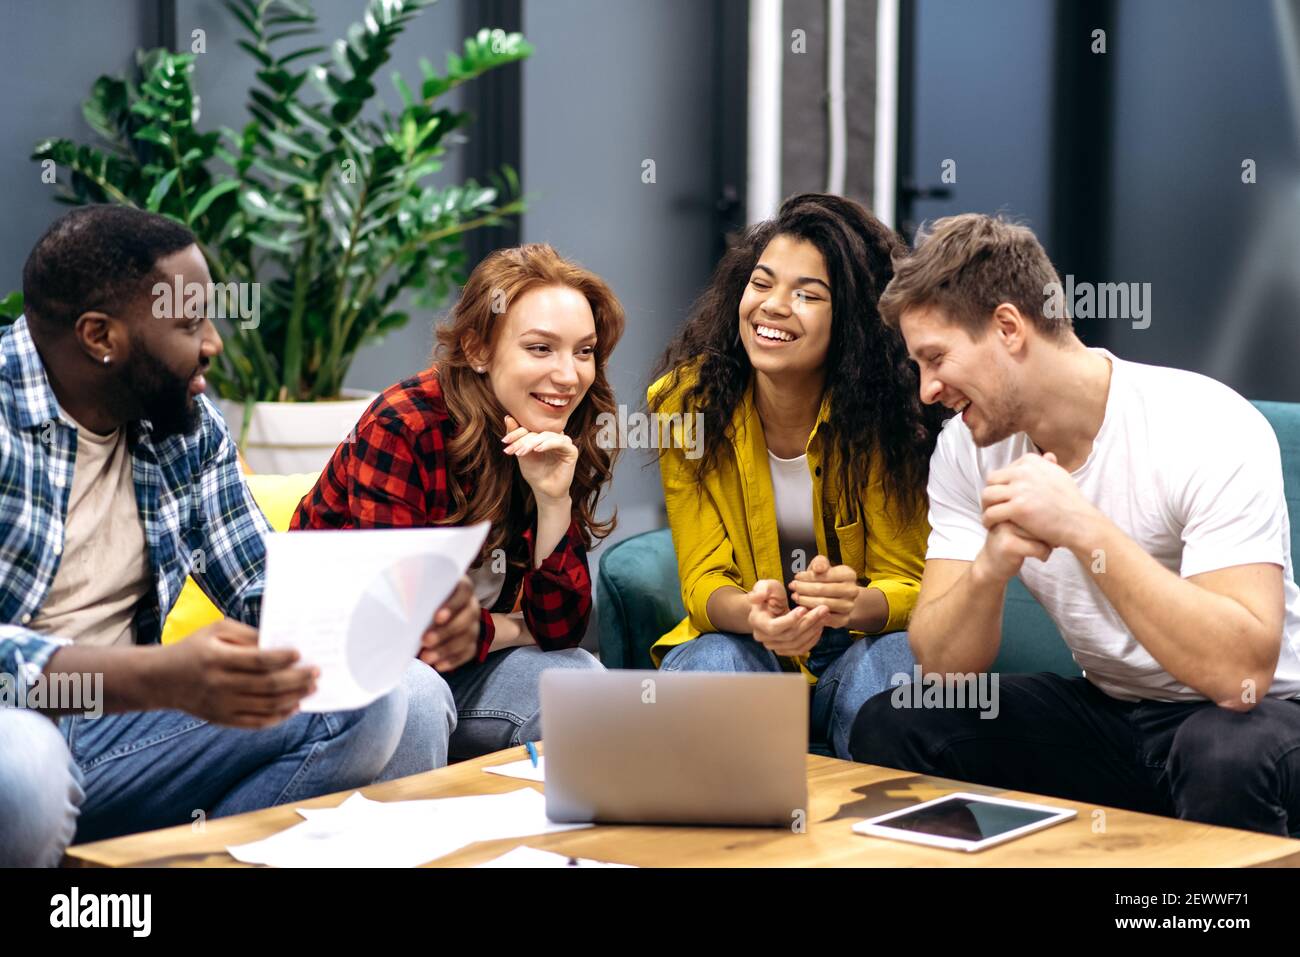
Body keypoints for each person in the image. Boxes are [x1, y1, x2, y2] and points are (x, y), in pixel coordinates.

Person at [0, 205, 456, 866]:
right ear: (100, 335)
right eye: (189, 323)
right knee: (24, 765)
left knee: (399, 695)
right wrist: (158, 675)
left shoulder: (180, 421)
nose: (213, 341)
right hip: (21, 727)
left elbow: (263, 588)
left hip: (123, 738)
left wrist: (409, 601)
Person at [849, 213, 1300, 836]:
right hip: (1113, 716)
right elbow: (946, 669)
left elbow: (1240, 674)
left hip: (1259, 715)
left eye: (936, 358)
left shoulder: (1205, 424)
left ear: (1009, 327)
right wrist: (989, 568)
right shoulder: (965, 449)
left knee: (1222, 754)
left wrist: (1083, 529)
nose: (927, 390)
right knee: (899, 720)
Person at [292, 243, 622, 760]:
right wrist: (512, 629)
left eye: (584, 351)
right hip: (340, 669)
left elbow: (560, 630)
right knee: (417, 693)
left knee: (578, 680)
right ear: (477, 350)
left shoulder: (557, 427)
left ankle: (549, 843)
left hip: (460, 672)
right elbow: (408, 635)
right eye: (541, 348)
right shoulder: (406, 424)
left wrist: (553, 501)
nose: (568, 375)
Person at [647, 193, 940, 758]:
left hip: (857, 647)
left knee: (892, 668)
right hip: (746, 644)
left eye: (807, 295)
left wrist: (859, 603)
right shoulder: (684, 405)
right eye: (762, 284)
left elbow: (914, 581)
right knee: (712, 664)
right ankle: (720, 843)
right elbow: (702, 581)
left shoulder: (891, 417)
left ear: (851, 320)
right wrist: (754, 615)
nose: (773, 307)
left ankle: (867, 841)